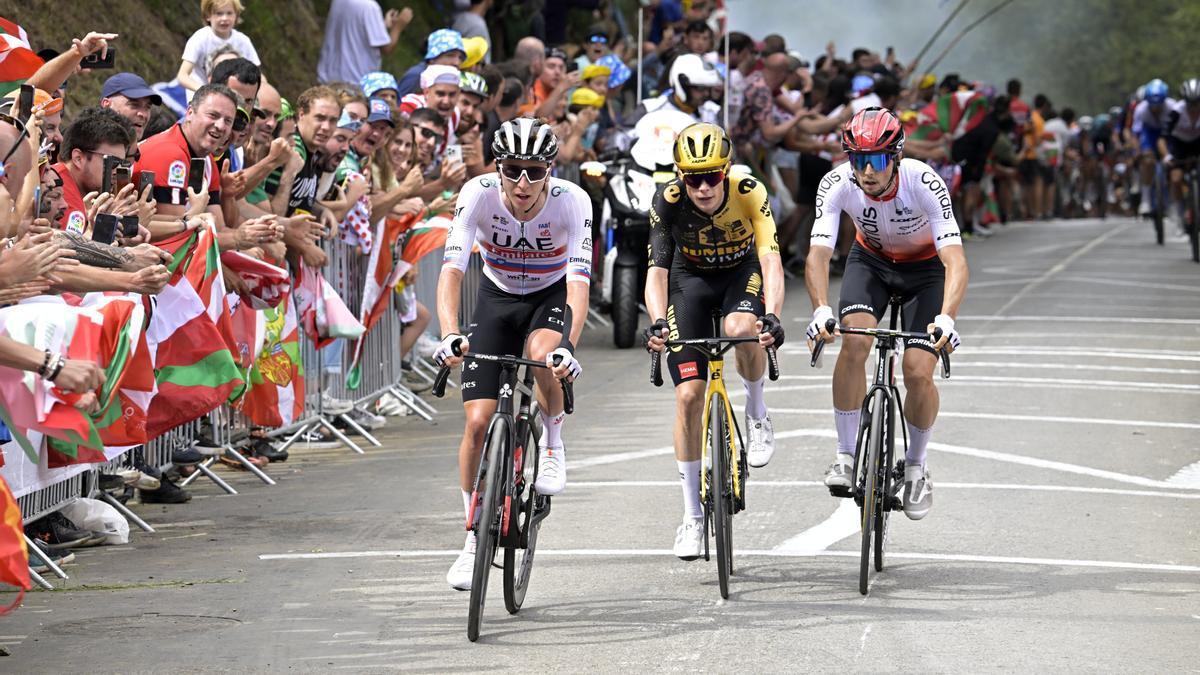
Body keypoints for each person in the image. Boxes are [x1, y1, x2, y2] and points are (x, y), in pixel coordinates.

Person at [435, 118, 592, 590]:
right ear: (497, 167)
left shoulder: (573, 202)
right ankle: (470, 542)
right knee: (478, 423)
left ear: (551, 169)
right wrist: (448, 333)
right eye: (512, 169)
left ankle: (553, 443)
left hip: (550, 296)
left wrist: (568, 347)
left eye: (535, 171)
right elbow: (452, 271)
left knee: (545, 354)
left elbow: (579, 284)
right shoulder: (477, 193)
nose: (523, 183)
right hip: (498, 298)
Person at [804, 107, 969, 521]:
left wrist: (946, 318)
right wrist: (821, 309)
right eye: (857, 160)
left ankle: (915, 466)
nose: (866, 171)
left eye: (875, 160)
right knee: (854, 340)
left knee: (917, 370)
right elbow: (818, 255)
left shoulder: (924, 181)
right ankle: (845, 455)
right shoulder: (837, 182)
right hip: (871, 262)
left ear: (895, 156)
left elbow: (956, 260)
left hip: (925, 271)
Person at [642, 123, 785, 560]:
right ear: (680, 176)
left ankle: (756, 410)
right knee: (688, 396)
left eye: (711, 177)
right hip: (690, 281)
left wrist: (773, 315)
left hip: (742, 274)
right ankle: (691, 515)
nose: (702, 188)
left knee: (741, 329)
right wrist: (655, 323)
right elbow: (657, 273)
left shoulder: (749, 189)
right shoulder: (667, 200)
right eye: (692, 178)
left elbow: (771, 259)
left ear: (726, 171)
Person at [317, 0, 412, 84]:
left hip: (329, 79)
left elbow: (356, 30)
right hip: (354, 82)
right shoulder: (369, 7)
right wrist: (399, 25)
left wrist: (381, 25)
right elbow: (386, 48)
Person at [176, 0, 261, 93]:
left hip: (235, 97)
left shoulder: (243, 41)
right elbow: (182, 76)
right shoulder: (200, 38)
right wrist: (205, 90)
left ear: (236, 15)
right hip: (202, 98)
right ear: (208, 16)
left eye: (229, 13)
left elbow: (258, 74)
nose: (224, 18)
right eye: (219, 13)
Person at [1160, 78, 1200, 238]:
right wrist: (1166, 156)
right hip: (1179, 146)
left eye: (1197, 103)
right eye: (1190, 104)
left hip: (1198, 143)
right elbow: (1162, 139)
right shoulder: (1176, 112)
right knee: (1176, 179)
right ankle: (1179, 213)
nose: (1194, 108)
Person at [1133, 79, 1174, 218]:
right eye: (1153, 105)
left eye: (1159, 105)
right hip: (1149, 134)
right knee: (1147, 161)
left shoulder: (1172, 107)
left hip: (1167, 134)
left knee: (1173, 161)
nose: (1156, 109)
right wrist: (1139, 151)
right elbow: (1136, 134)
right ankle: (1145, 200)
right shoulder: (1141, 110)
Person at [394, 28, 466, 97]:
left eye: (460, 58)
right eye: (450, 55)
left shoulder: (454, 78)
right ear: (432, 58)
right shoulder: (416, 76)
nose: (456, 62)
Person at [99, 73, 164, 141]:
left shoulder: (149, 150)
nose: (143, 114)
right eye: (134, 105)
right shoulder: (89, 147)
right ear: (107, 105)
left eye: (147, 107)